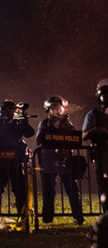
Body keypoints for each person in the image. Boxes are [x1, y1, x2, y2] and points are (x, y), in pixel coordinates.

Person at [36, 96, 85, 225]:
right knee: (48, 190)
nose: (57, 110)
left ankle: (78, 217)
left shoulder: (67, 123)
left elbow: (74, 138)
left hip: (65, 159)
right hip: (48, 159)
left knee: (72, 189)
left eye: (59, 108)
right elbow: (38, 140)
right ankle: (47, 218)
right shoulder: (44, 123)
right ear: (48, 110)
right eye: (54, 108)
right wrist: (47, 132)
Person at [0, 100, 34, 222]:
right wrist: (11, 124)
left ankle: (23, 217)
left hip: (17, 161)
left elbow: (30, 133)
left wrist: (23, 123)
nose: (11, 112)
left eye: (13, 110)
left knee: (20, 190)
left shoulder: (18, 124)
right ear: (1, 111)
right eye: (8, 110)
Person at [82, 84, 108, 214]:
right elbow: (84, 135)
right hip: (102, 155)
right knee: (104, 185)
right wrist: (96, 130)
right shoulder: (94, 115)